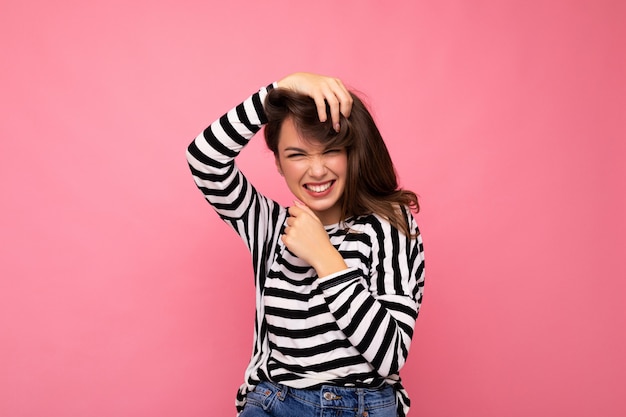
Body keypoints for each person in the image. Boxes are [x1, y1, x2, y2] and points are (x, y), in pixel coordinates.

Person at [186, 72, 425, 417]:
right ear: (279, 164)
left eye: (331, 151)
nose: (315, 170)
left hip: (362, 408)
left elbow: (390, 353)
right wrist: (280, 88)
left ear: (352, 152)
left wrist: (325, 257)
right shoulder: (269, 226)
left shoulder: (390, 225)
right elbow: (204, 160)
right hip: (275, 403)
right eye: (297, 154)